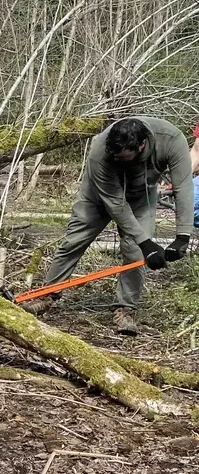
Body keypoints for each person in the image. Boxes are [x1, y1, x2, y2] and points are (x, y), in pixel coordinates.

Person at [26, 117, 192, 337]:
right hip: (98, 195)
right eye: (114, 155)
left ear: (141, 145)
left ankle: (126, 309)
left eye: (122, 157)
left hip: (141, 196)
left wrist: (183, 235)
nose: (116, 159)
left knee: (134, 252)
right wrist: (146, 242)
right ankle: (47, 294)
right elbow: (116, 204)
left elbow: (183, 187)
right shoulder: (100, 151)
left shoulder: (171, 140)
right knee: (73, 241)